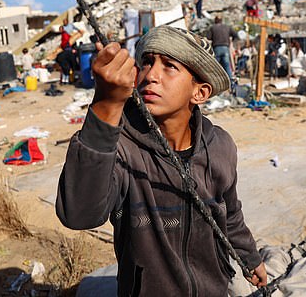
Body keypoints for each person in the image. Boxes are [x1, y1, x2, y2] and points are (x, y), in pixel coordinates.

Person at [56, 25, 267, 296]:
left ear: (200, 93)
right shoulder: (119, 147)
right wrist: (105, 105)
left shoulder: (219, 147)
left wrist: (251, 258)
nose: (150, 75)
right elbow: (78, 215)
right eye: (146, 62)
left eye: (169, 66)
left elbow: (231, 214)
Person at [207, 16, 238, 82]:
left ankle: (214, 82)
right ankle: (231, 83)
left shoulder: (213, 27)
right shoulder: (227, 27)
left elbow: (208, 37)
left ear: (215, 20)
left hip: (217, 48)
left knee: (216, 66)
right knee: (227, 66)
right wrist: (231, 41)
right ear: (221, 20)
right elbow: (236, 35)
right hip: (225, 48)